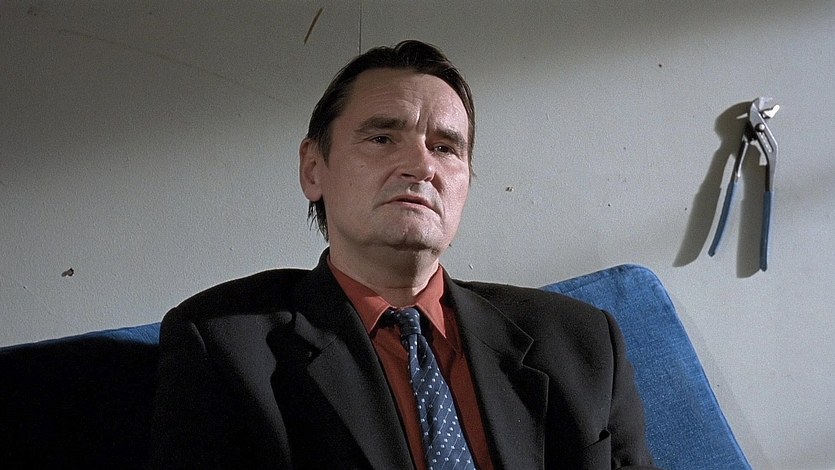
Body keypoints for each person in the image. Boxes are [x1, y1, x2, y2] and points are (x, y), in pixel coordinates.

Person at [148, 40, 657, 469]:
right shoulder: (223, 345)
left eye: (445, 148)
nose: (420, 166)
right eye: (382, 137)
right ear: (313, 169)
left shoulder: (585, 343)